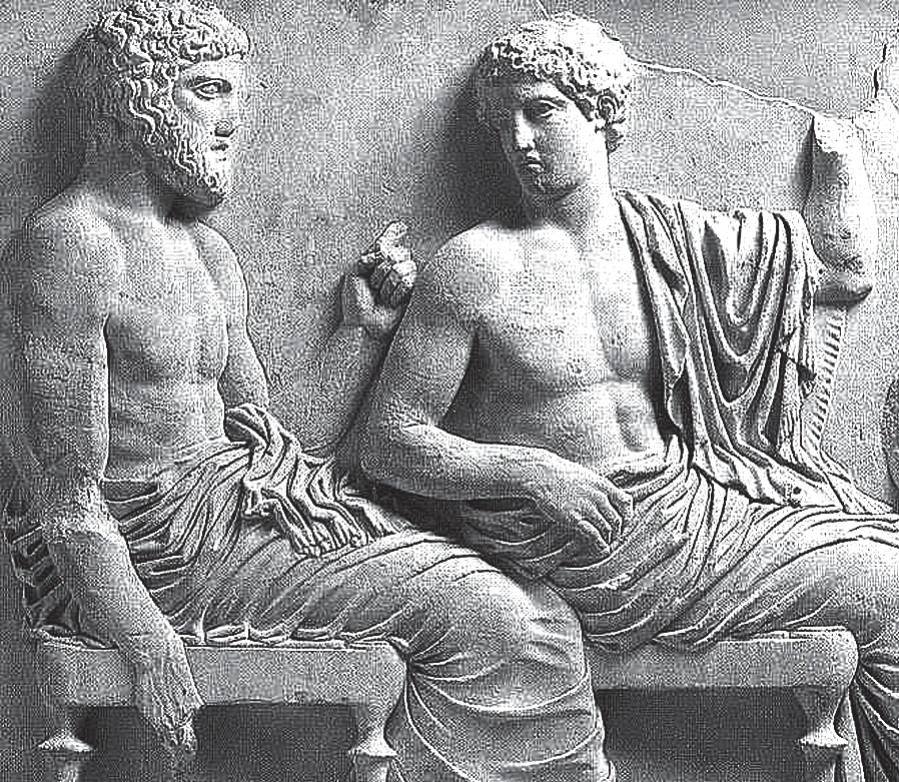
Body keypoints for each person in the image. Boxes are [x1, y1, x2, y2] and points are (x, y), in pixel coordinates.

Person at [0, 3, 619, 780]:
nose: (230, 121)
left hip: (235, 519)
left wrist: (360, 333)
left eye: (235, 95)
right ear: (134, 99)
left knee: (536, 607)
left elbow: (274, 444)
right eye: (207, 90)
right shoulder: (70, 245)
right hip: (160, 558)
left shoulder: (204, 251)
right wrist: (150, 645)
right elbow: (67, 501)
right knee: (498, 619)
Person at [363, 12, 899, 780]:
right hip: (587, 549)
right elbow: (388, 443)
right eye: (502, 123)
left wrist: (841, 154)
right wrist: (530, 472)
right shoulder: (474, 266)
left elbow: (841, 271)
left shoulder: (670, 241)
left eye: (541, 111)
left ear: (600, 112)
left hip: (689, 511)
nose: (519, 140)